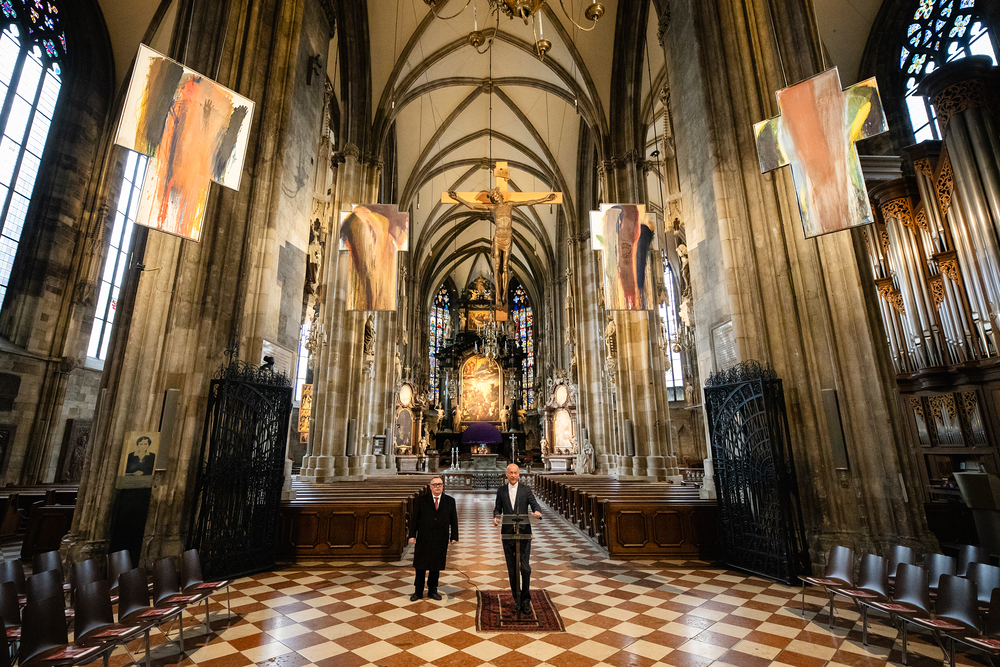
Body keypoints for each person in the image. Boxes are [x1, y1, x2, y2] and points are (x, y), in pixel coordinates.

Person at [493, 463, 542, 614]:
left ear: (519, 474)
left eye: (515, 473)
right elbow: (497, 508)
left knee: (525, 568)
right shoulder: (501, 490)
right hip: (508, 534)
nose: (513, 475)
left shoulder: (525, 490)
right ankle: (517, 600)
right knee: (512, 569)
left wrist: (537, 512)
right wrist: (496, 517)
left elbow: (535, 504)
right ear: (506, 474)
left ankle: (526, 599)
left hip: (524, 533)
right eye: (511, 473)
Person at [408, 477, 459, 601]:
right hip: (424, 537)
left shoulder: (450, 501)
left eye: (440, 484)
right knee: (420, 565)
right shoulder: (421, 500)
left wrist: (454, 536)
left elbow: (454, 520)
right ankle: (418, 591)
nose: (437, 487)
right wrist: (412, 535)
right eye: (435, 485)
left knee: (436, 565)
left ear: (443, 486)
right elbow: (414, 519)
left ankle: (433, 590)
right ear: (430, 487)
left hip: (440, 537)